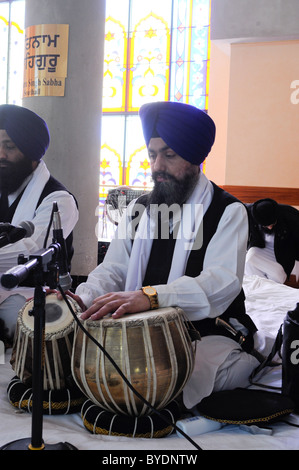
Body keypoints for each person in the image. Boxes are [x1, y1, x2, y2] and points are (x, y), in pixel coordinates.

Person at [70, 100, 260, 411]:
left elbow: (220, 283)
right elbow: (115, 268)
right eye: (152, 154)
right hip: (136, 327)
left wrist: (152, 297)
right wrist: (85, 298)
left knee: (180, 378)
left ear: (195, 158)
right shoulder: (139, 209)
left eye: (169, 155)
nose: (157, 165)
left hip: (205, 329)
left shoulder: (227, 211)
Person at [0, 104, 79, 346]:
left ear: (32, 152)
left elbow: (27, 250)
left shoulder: (58, 200)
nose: (0, 154)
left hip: (36, 306)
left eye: (9, 146)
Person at [245, 198, 299, 284]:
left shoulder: (291, 215)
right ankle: (261, 287)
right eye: (266, 226)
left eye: (272, 224)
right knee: (249, 260)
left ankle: (269, 287)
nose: (270, 227)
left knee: (277, 276)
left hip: (284, 249)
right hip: (260, 245)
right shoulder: (248, 212)